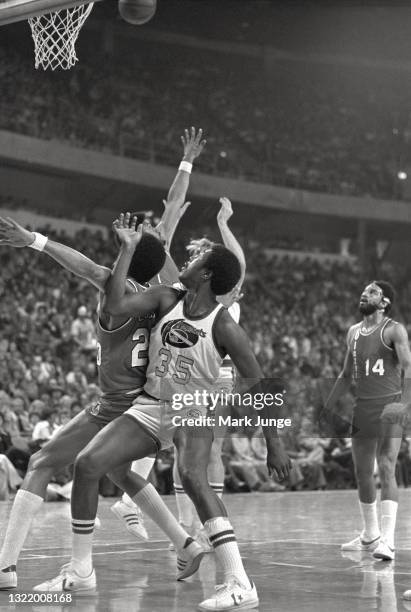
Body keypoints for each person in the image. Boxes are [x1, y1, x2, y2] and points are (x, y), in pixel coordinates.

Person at [36, 213, 291, 611]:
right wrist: (127, 249)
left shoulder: (224, 326)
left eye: (196, 260)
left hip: (193, 406)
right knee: (87, 465)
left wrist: (274, 446)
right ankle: (80, 571)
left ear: (206, 275)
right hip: (152, 404)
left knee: (192, 475)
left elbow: (262, 387)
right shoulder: (166, 297)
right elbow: (117, 301)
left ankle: (240, 582)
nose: (184, 263)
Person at [0, 126, 206, 590]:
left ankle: (10, 568)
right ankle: (186, 544)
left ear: (129, 258)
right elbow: (170, 212)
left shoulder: (121, 292)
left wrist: (33, 239)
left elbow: (84, 264)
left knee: (43, 462)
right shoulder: (164, 291)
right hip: (152, 399)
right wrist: (185, 164)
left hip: (120, 401)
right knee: (116, 472)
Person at [171, 196, 246, 550]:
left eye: (201, 255)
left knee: (212, 449)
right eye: (193, 255)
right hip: (186, 374)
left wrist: (223, 224)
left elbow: (239, 265)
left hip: (218, 376)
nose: (193, 259)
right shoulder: (184, 292)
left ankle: (207, 527)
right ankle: (185, 526)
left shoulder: (224, 294)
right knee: (180, 449)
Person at [323, 281, 411, 561]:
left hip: (389, 405)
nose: (365, 294)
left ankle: (388, 541)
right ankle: (370, 535)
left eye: (372, 292)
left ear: (384, 302)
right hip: (362, 407)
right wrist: (328, 406)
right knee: (362, 472)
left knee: (386, 465)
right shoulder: (353, 332)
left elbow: (409, 369)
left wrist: (402, 405)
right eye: (363, 290)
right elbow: (346, 374)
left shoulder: (394, 329)